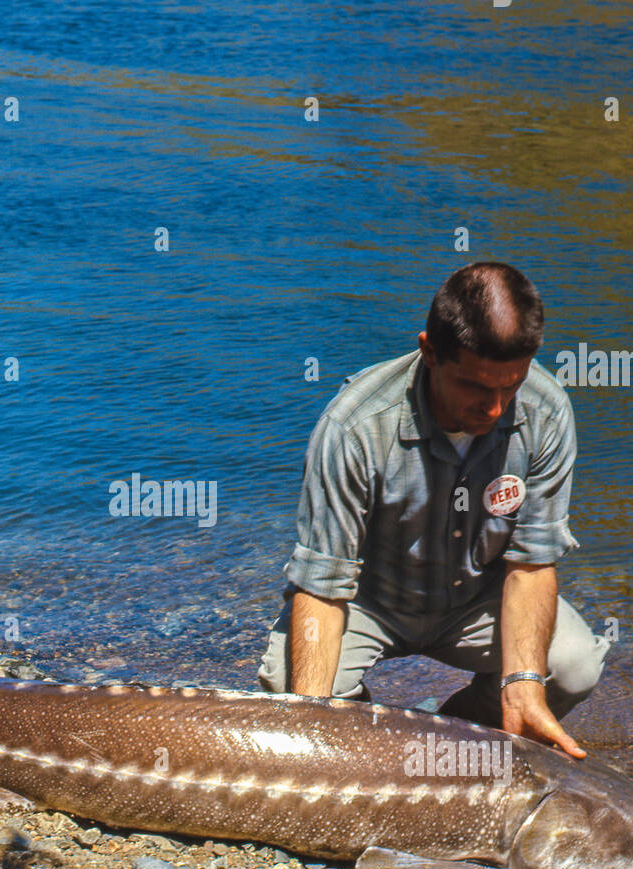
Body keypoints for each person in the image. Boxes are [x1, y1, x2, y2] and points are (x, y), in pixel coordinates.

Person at [258, 262, 608, 758]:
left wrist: (524, 684)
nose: (494, 407)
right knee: (294, 696)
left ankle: (455, 738)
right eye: (476, 386)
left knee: (573, 667)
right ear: (429, 352)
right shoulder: (354, 425)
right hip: (368, 601)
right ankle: (365, 746)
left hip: (476, 602)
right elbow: (322, 584)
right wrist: (313, 727)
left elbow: (531, 566)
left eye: (510, 386)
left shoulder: (546, 411)